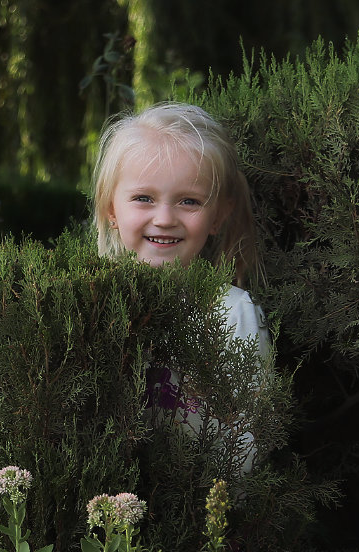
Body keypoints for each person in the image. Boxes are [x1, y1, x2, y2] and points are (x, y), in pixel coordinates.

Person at [91, 102, 271, 475]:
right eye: (144, 198)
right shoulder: (88, 303)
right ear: (111, 209)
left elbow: (252, 434)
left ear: (218, 215)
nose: (165, 218)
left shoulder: (233, 312)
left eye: (189, 201)